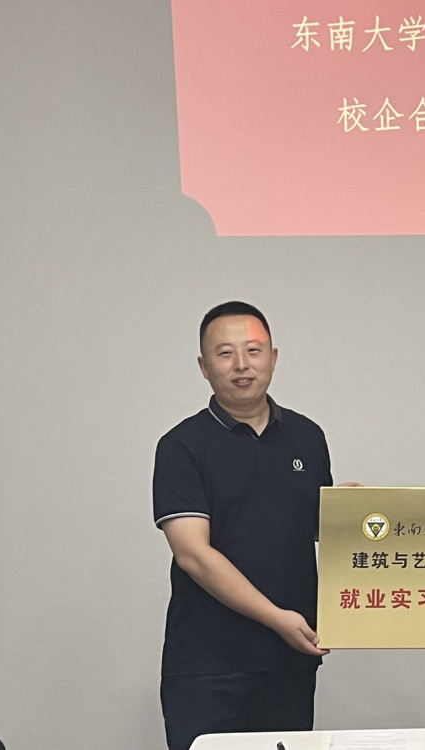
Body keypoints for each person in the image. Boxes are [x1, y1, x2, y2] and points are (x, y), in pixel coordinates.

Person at [153, 301, 341, 750]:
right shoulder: (181, 446)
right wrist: (277, 618)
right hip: (208, 664)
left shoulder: (307, 436)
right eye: (225, 353)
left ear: (273, 358)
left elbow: (312, 527)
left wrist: (350, 512)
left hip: (289, 658)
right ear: (204, 367)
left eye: (253, 351)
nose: (242, 364)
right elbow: (194, 555)